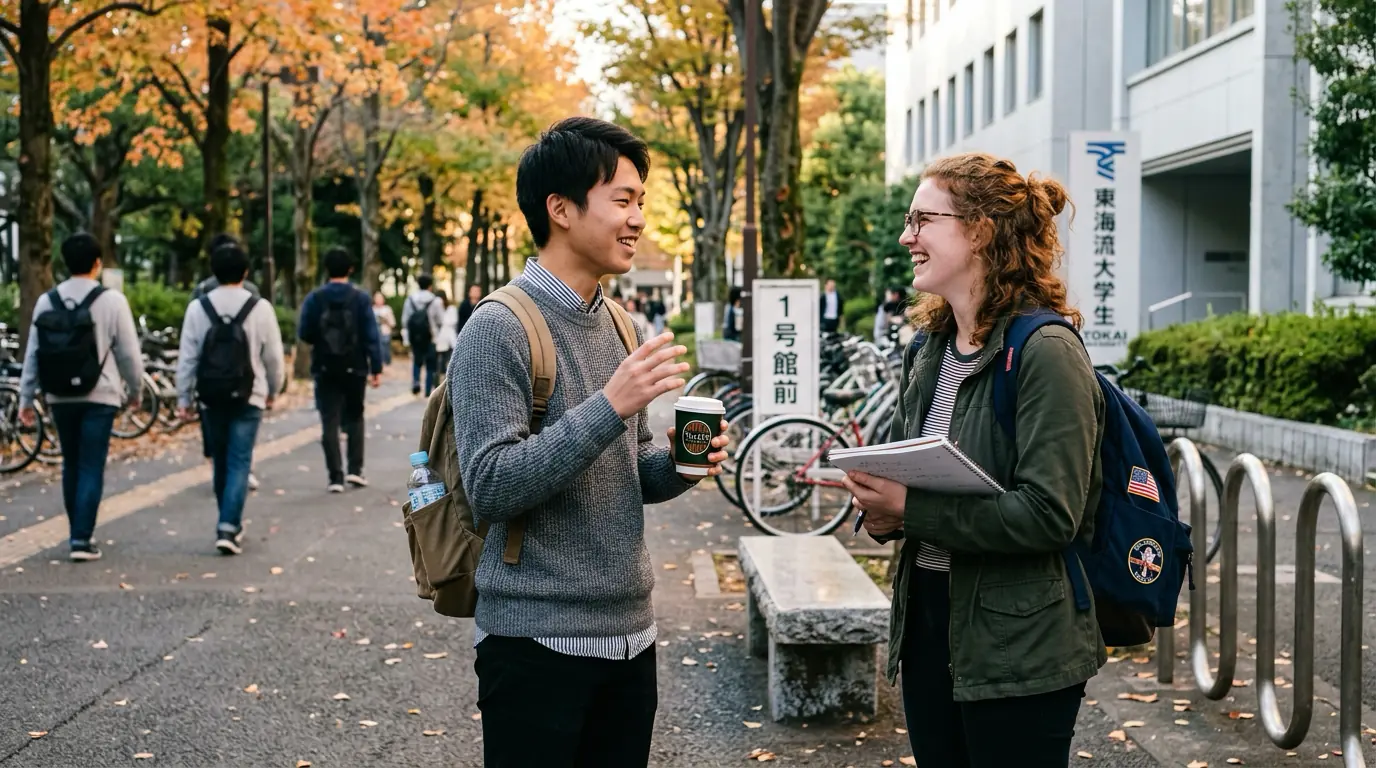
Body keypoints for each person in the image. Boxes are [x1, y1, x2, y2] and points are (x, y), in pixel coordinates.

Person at [452, 116, 730, 768]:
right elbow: (489, 485)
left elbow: (628, 471)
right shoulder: (499, 326)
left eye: (642, 202)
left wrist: (685, 464)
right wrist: (611, 405)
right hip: (535, 643)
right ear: (562, 209)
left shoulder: (621, 324)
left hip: (631, 634)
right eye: (623, 200)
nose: (638, 220)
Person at [842, 152, 1106, 767]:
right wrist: (881, 514)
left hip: (1021, 646)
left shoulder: (1046, 352)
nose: (907, 236)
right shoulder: (929, 348)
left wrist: (912, 509)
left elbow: (1049, 515)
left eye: (923, 219)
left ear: (981, 230)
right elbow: (916, 474)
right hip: (931, 623)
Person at [18, 233, 144, 562]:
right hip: (100, 394)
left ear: (64, 262)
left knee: (71, 463)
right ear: (97, 264)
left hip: (59, 395)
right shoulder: (113, 301)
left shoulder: (47, 301)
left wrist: (25, 398)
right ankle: (81, 539)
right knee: (91, 464)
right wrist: (136, 390)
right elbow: (129, 354)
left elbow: (33, 353)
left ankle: (77, 532)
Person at [175, 242, 286, 555]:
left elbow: (188, 357)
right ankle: (228, 525)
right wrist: (274, 390)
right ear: (246, 272)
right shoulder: (259, 307)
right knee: (240, 460)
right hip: (249, 395)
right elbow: (273, 357)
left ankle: (227, 518)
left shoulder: (199, 307)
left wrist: (184, 397)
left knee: (220, 461)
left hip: (210, 396)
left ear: (213, 272)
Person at [298, 248, 384, 493]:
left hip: (324, 367)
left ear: (326, 269)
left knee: (329, 421)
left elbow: (305, 332)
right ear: (350, 269)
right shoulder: (360, 298)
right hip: (354, 366)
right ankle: (355, 470)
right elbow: (371, 335)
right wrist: (375, 367)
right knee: (355, 416)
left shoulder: (315, 298)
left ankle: (335, 476)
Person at [193, 233, 261, 491]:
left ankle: (220, 472)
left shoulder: (201, 292)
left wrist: (185, 394)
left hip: (209, 379)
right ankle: (239, 477)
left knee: (216, 437)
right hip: (246, 378)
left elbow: (192, 341)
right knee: (241, 446)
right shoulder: (252, 293)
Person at [401, 274, 445, 396]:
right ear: (430, 286)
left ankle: (415, 382)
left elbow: (405, 319)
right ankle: (427, 390)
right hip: (431, 336)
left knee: (417, 360)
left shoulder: (410, 300)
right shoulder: (436, 301)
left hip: (415, 337)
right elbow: (441, 320)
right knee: (431, 363)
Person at [434, 291, 458, 378]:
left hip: (450, 340)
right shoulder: (435, 310)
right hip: (439, 341)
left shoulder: (451, 309)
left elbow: (451, 322)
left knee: (449, 362)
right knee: (439, 364)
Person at [372, 292, 396, 366]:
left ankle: (386, 363)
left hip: (385, 331)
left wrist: (385, 320)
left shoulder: (387, 309)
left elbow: (393, 323)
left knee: (385, 349)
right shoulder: (372, 309)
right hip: (374, 332)